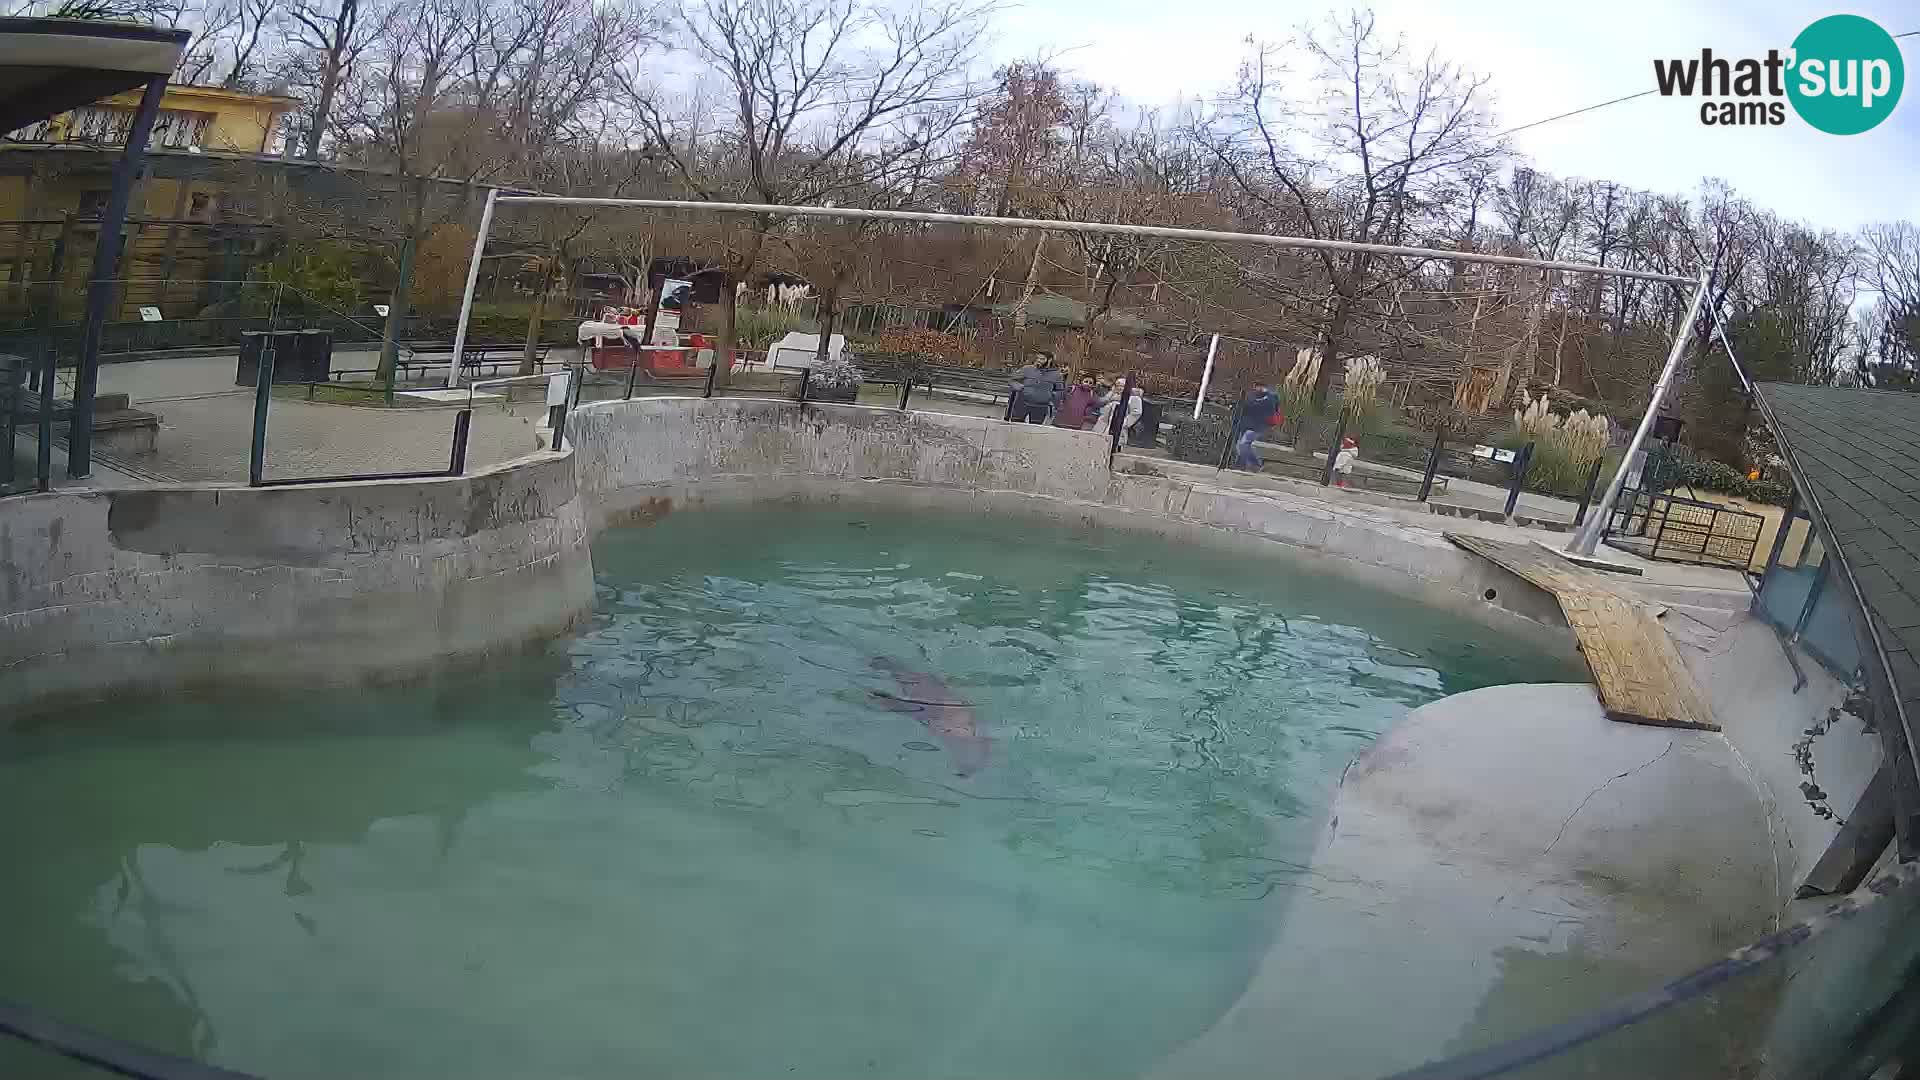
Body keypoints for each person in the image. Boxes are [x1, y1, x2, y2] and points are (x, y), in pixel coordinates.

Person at [1232, 384, 1282, 470]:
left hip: (1258, 426)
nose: (1257, 389)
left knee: (1244, 444)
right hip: (1246, 425)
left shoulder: (1270, 398)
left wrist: (1248, 404)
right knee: (1240, 445)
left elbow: (1261, 407)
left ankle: (1256, 464)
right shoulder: (1252, 395)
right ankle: (1242, 465)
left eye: (1260, 387)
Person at [1007, 352, 1065, 424]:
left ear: (1049, 360)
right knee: (1015, 426)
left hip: (1040, 407)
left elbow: (1060, 390)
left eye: (1042, 359)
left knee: (1034, 430)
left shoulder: (1057, 374)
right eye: (1038, 358)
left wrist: (1051, 397)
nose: (1039, 360)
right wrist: (1019, 387)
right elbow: (1012, 380)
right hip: (1022, 403)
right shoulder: (1027, 369)